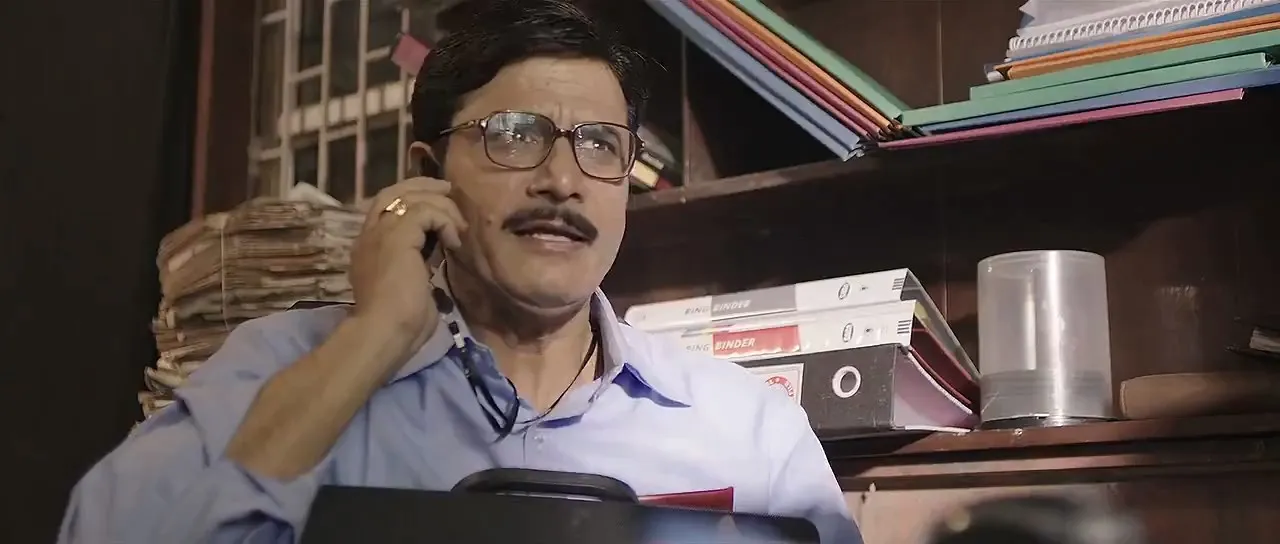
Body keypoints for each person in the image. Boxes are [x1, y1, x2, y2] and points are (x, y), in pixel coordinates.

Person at [58, 1, 862, 543]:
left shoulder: (749, 432)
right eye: (514, 136)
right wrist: (372, 339)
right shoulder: (287, 366)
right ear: (425, 174)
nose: (561, 180)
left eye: (599, 145)